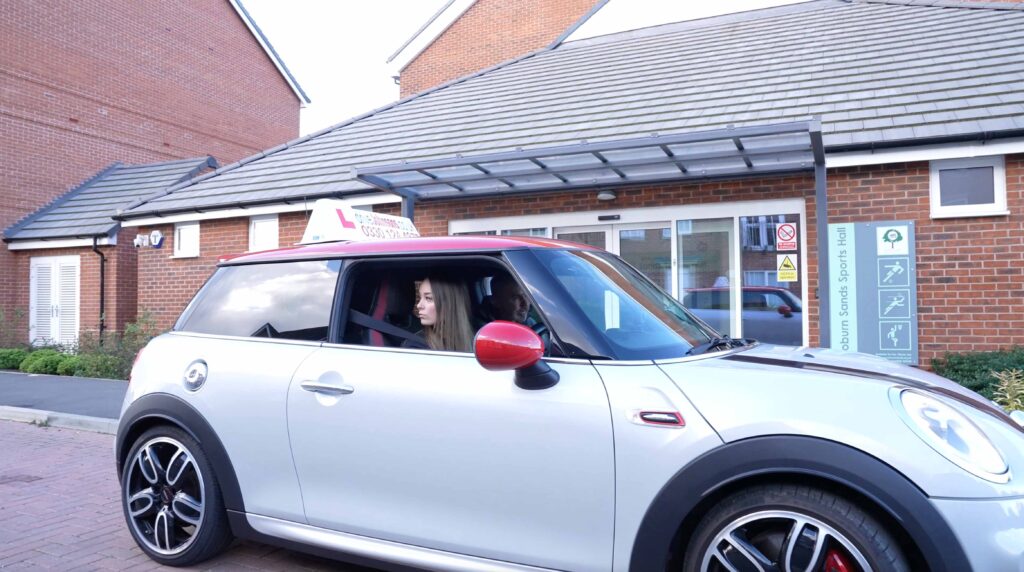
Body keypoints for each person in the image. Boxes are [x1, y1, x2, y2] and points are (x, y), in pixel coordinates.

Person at [407, 275, 475, 352]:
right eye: (420, 297)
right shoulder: (415, 346)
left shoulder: (478, 339)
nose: (419, 305)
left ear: (449, 304)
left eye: (428, 298)